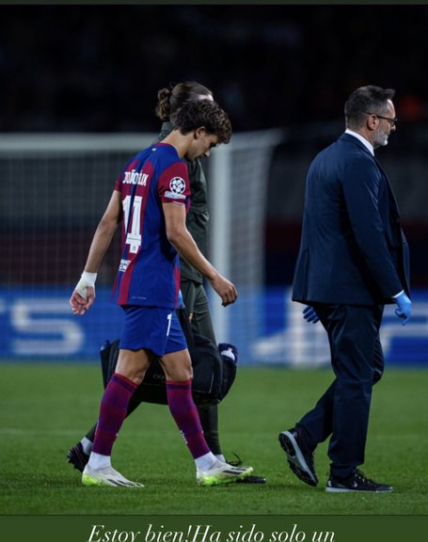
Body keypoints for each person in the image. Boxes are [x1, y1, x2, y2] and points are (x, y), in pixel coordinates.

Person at [67, 81, 265, 483]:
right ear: (197, 132)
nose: (207, 153)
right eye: (209, 144)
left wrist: (88, 278)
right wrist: (215, 276)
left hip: (149, 284)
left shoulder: (137, 161)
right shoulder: (174, 169)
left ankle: (207, 464)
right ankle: (97, 462)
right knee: (129, 375)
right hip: (152, 284)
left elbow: (109, 222)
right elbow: (176, 232)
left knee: (182, 373)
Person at [279, 85, 411, 493]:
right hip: (352, 290)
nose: (393, 127)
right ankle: (344, 474)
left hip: (335, 286)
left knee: (367, 368)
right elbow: (367, 231)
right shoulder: (356, 162)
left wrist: (321, 290)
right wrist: (396, 290)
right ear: (372, 121)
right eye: (389, 120)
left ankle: (306, 434)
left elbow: (322, 228)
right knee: (357, 376)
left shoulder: (325, 158)